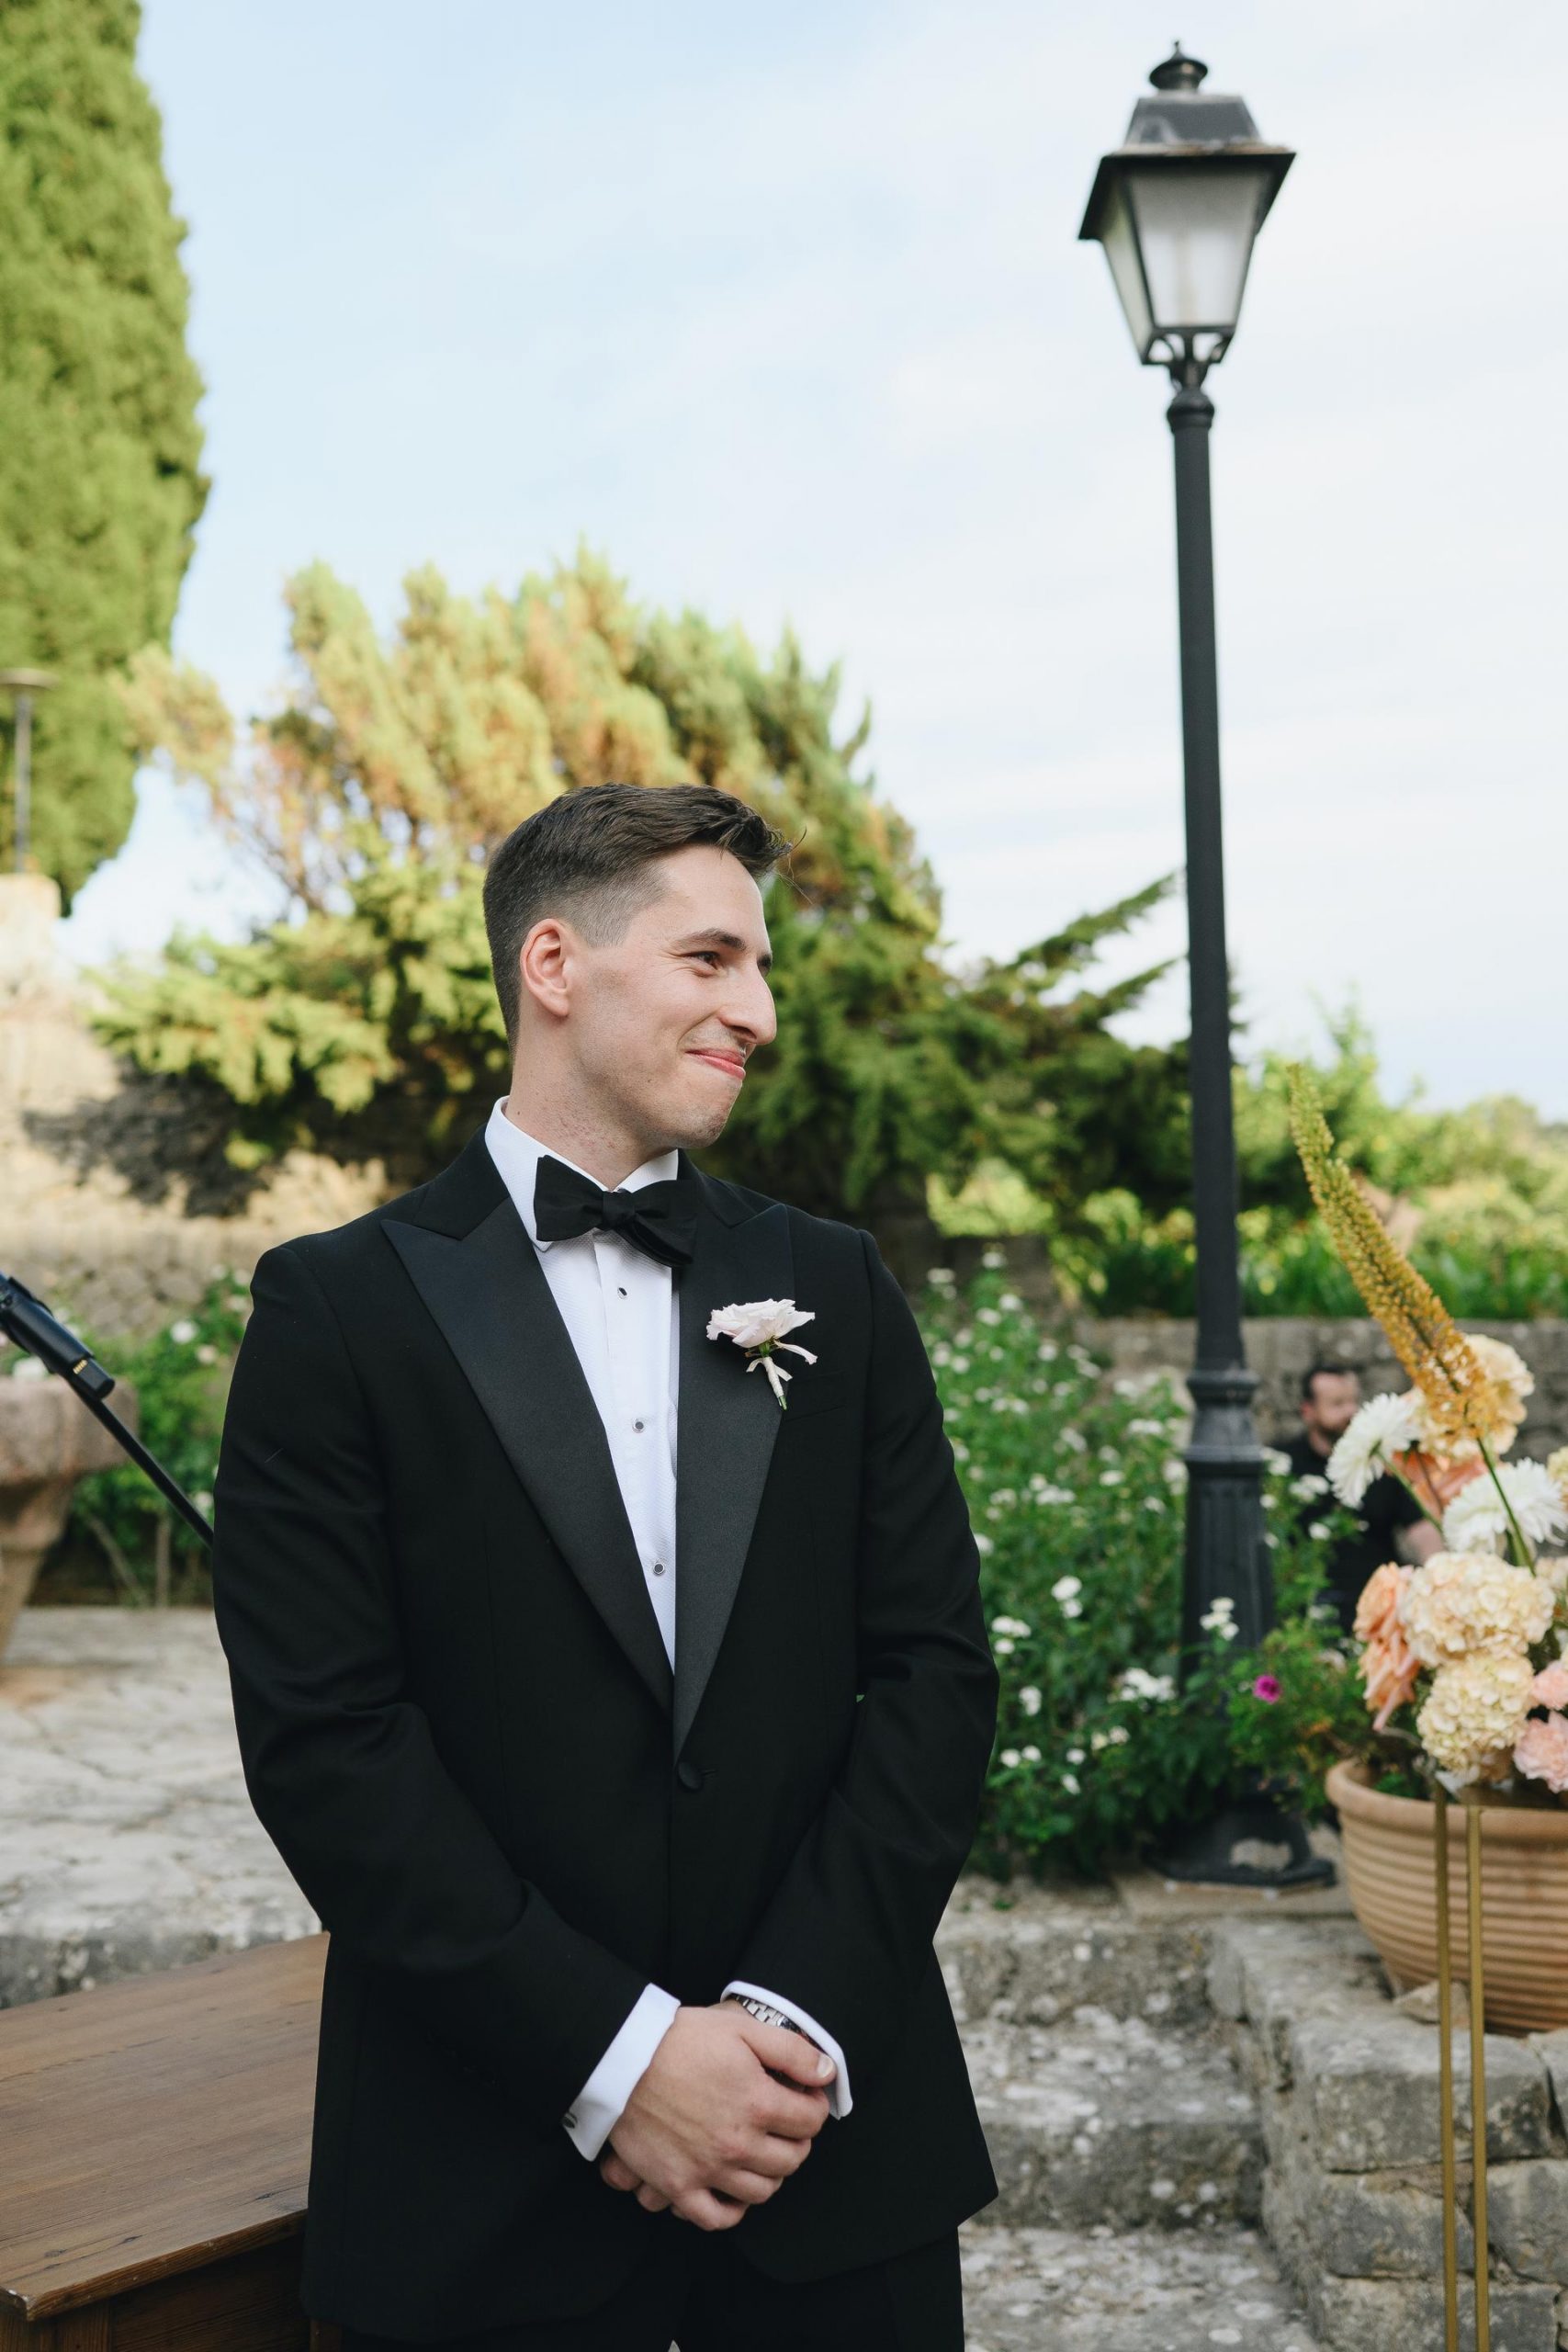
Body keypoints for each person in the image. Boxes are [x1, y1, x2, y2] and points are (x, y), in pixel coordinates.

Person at [209, 782, 1000, 2352]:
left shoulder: (834, 1284)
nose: (757, 1011)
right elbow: (328, 1745)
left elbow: (933, 1675)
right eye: (711, 959)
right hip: (481, 2181)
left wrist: (776, 2025)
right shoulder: (335, 1311)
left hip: (823, 2162)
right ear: (554, 964)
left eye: (759, 968)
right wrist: (619, 2060)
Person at [1283, 1363, 1441, 1634]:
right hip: (1307, 1615)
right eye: (1337, 1404)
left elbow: (1422, 1532)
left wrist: (1439, 1578)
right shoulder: (1284, 1467)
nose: (1350, 1411)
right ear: (1307, 1411)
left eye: (1353, 1401)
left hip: (1378, 1610)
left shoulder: (1382, 1466)